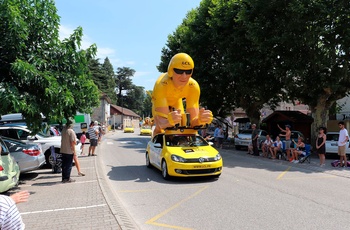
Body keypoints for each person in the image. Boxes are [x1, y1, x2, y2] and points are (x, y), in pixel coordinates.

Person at [150, 53, 213, 136]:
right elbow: (161, 123)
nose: (184, 76)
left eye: (188, 72)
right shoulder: (161, 84)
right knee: (161, 129)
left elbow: (193, 123)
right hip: (160, 101)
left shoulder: (193, 86)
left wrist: (200, 120)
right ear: (171, 71)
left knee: (184, 126)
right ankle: (157, 146)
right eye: (179, 71)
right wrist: (168, 122)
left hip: (176, 101)